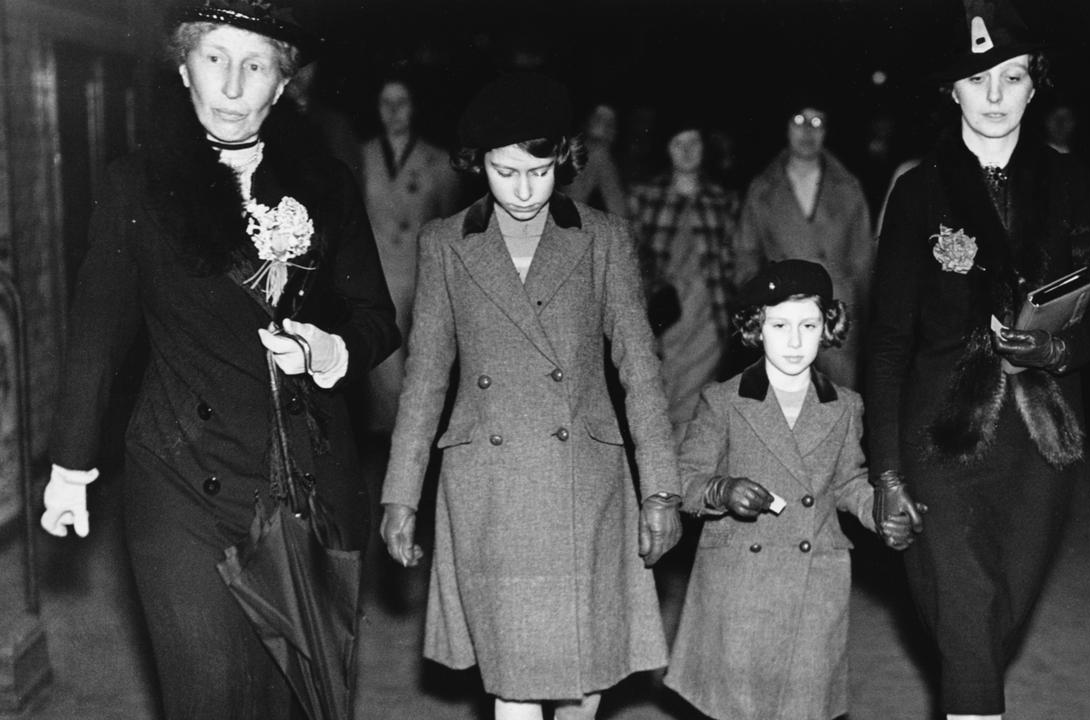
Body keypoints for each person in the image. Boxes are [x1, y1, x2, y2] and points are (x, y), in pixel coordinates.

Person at [38, 1, 400, 718]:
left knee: (295, 702)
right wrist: (71, 468)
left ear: (282, 83)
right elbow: (96, 333)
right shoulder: (136, 183)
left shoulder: (324, 185)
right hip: (180, 474)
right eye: (215, 58)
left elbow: (376, 320)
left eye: (256, 64)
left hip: (302, 478)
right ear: (183, 68)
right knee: (205, 696)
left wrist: (331, 349)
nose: (233, 85)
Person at [378, 72, 683, 720]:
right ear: (475, 164)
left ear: (564, 160)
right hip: (491, 487)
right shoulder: (445, 243)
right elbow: (426, 378)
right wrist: (401, 494)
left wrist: (660, 489)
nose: (522, 190)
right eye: (504, 171)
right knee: (512, 683)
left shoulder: (602, 236)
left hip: (586, 482)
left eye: (538, 172)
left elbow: (641, 369)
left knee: (586, 678)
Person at [865, 2, 1090, 719]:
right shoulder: (919, 191)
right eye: (977, 79)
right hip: (939, 441)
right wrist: (885, 473)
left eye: (1010, 78)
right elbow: (887, 343)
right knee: (965, 623)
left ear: (1034, 87)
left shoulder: (1070, 182)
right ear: (950, 90)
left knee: (996, 618)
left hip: (1041, 444)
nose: (993, 97)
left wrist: (1055, 346)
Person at [663, 260, 914, 720]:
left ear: (828, 328)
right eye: (780, 325)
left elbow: (848, 482)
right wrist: (721, 489)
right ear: (757, 329)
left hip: (815, 583)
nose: (795, 341)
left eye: (809, 325)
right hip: (739, 588)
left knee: (802, 707)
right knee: (740, 707)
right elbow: (684, 478)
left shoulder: (845, 406)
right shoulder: (723, 401)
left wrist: (878, 511)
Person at [737, 103, 877, 389]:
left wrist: (866, 318)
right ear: (785, 126)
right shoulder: (763, 188)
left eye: (817, 122)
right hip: (782, 307)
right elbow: (746, 253)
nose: (807, 131)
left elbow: (863, 258)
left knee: (839, 399)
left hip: (837, 314)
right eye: (799, 120)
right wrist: (754, 309)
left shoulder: (848, 186)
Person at [361, 71, 462, 433]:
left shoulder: (438, 161)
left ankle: (415, 438)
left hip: (419, 277)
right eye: (385, 103)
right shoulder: (363, 155)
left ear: (414, 107)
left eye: (401, 102)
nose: (393, 111)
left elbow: (447, 224)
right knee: (385, 365)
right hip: (378, 275)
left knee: (419, 363)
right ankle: (392, 440)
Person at [629, 119, 741, 444]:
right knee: (656, 406)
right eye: (679, 143)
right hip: (661, 323)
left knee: (695, 413)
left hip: (708, 323)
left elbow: (733, 261)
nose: (688, 151)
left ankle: (686, 485)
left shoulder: (723, 201)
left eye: (695, 142)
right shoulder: (644, 197)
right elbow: (630, 258)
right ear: (667, 148)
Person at [565, 102, 629, 217]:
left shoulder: (608, 161)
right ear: (585, 122)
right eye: (598, 119)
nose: (604, 127)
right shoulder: (567, 154)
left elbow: (618, 208)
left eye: (610, 123)